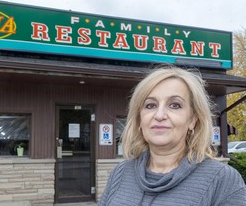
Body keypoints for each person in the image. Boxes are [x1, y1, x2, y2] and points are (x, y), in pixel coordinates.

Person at [98, 66, 246, 206]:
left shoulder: (223, 180)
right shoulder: (121, 172)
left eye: (175, 105)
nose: (160, 115)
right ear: (139, 120)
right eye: (150, 105)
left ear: (193, 120)